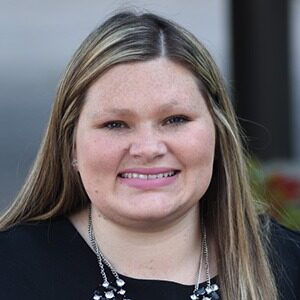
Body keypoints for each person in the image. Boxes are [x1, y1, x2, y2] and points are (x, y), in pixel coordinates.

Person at [0, 11, 299, 300]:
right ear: (71, 146)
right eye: (115, 124)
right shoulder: (10, 270)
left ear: (219, 134)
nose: (147, 148)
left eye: (175, 119)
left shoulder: (289, 265)